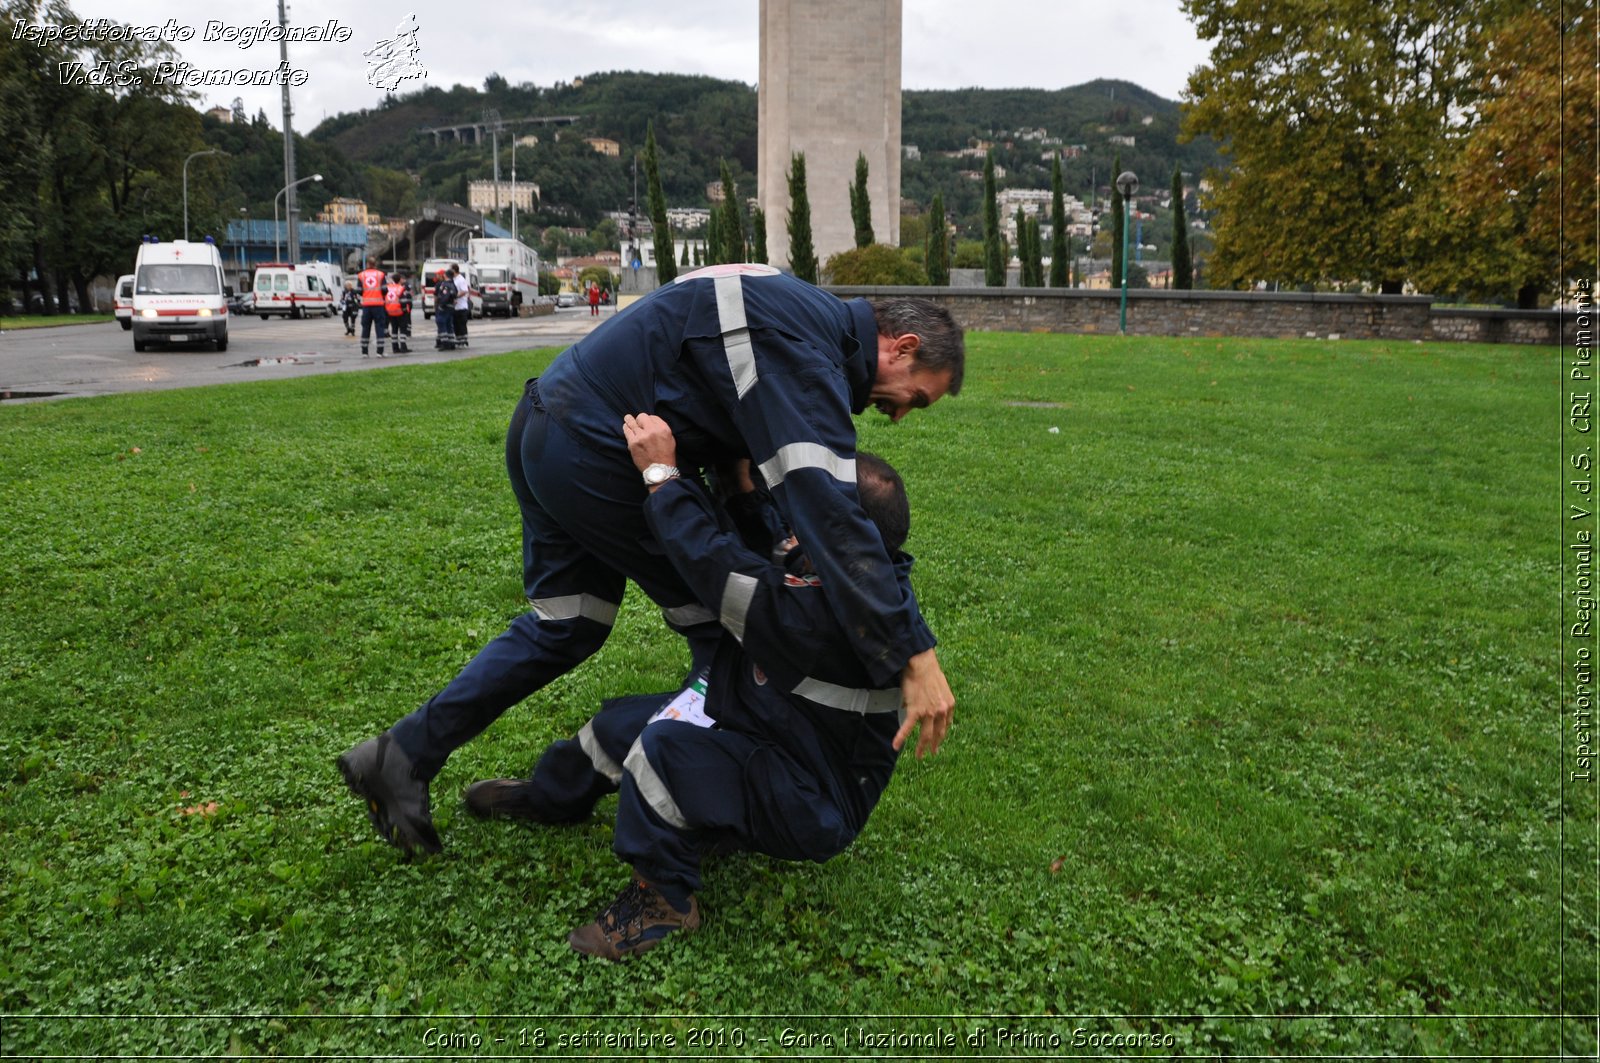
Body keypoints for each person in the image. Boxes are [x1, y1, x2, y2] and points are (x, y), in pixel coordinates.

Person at [337, 264, 964, 856]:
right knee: (732, 636)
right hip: (601, 450)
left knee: (568, 625)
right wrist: (913, 652)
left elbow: (728, 436)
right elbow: (829, 513)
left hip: (545, 426)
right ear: (901, 348)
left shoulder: (793, 304)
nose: (902, 413)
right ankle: (683, 802)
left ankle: (402, 754)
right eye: (917, 398)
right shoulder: (806, 351)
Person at [466, 413, 919, 959]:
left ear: (842, 537)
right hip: (770, 725)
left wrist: (660, 472)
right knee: (617, 729)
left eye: (815, 510)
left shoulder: (819, 615)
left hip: (810, 796)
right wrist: (738, 477)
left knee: (662, 753)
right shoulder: (863, 578)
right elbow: (774, 538)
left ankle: (665, 901)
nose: (797, 519)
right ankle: (551, 798)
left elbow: (713, 563)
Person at [356, 263, 388, 358]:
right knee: (380, 328)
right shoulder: (380, 274)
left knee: (365, 328)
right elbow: (384, 290)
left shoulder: (361, 275)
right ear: (375, 265)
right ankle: (379, 352)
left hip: (366, 306)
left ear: (367, 265)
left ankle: (364, 352)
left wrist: (366, 294)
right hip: (378, 305)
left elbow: (358, 290)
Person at [384, 271, 410, 354]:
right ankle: (403, 347)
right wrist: (405, 311)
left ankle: (395, 348)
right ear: (399, 280)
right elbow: (403, 301)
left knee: (394, 330)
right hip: (400, 312)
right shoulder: (401, 288)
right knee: (402, 330)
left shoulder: (387, 287)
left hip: (390, 312)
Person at [432, 270, 455, 350]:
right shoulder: (452, 284)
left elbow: (444, 296)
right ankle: (451, 343)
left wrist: (441, 305)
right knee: (449, 324)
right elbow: (455, 295)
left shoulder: (445, 284)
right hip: (450, 307)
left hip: (444, 307)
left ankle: (445, 343)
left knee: (441, 323)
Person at [451, 265, 470, 348]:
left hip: (461, 307)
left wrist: (455, 296)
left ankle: (464, 341)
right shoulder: (454, 279)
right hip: (455, 307)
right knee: (456, 325)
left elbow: (464, 291)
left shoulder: (461, 279)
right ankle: (458, 340)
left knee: (462, 324)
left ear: (454, 270)